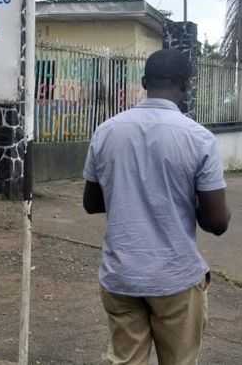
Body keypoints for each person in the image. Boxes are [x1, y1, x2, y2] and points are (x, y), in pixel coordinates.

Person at [82, 48, 230, 365]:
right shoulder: (199, 139)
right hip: (175, 277)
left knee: (125, 360)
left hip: (121, 274)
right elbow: (217, 222)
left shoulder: (106, 131)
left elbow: (91, 203)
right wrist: (187, 198)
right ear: (186, 86)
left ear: (144, 82)